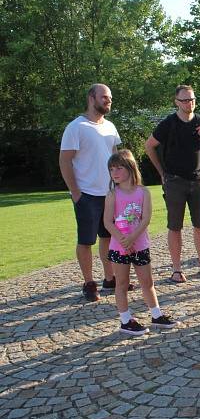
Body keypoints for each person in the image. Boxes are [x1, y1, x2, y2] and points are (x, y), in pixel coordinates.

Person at [144, 85, 200, 283]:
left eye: (192, 99)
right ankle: (176, 270)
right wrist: (161, 172)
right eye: (185, 100)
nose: (190, 103)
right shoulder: (168, 124)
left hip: (198, 180)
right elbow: (149, 146)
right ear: (176, 102)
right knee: (175, 226)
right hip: (175, 181)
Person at [59, 83, 122, 302]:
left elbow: (117, 161)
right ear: (91, 98)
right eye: (104, 97)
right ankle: (88, 283)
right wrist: (76, 193)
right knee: (86, 240)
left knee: (108, 237)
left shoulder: (110, 127)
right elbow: (65, 161)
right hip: (86, 194)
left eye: (110, 98)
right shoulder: (76, 127)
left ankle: (109, 278)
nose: (108, 100)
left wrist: (120, 187)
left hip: (109, 194)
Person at [103, 150, 176, 335]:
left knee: (147, 282)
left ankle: (156, 314)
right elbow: (107, 221)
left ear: (130, 167)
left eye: (119, 167)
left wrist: (133, 238)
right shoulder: (112, 194)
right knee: (122, 283)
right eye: (112, 169)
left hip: (140, 245)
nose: (115, 172)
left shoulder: (143, 192)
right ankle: (126, 320)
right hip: (119, 248)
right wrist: (123, 240)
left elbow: (145, 218)